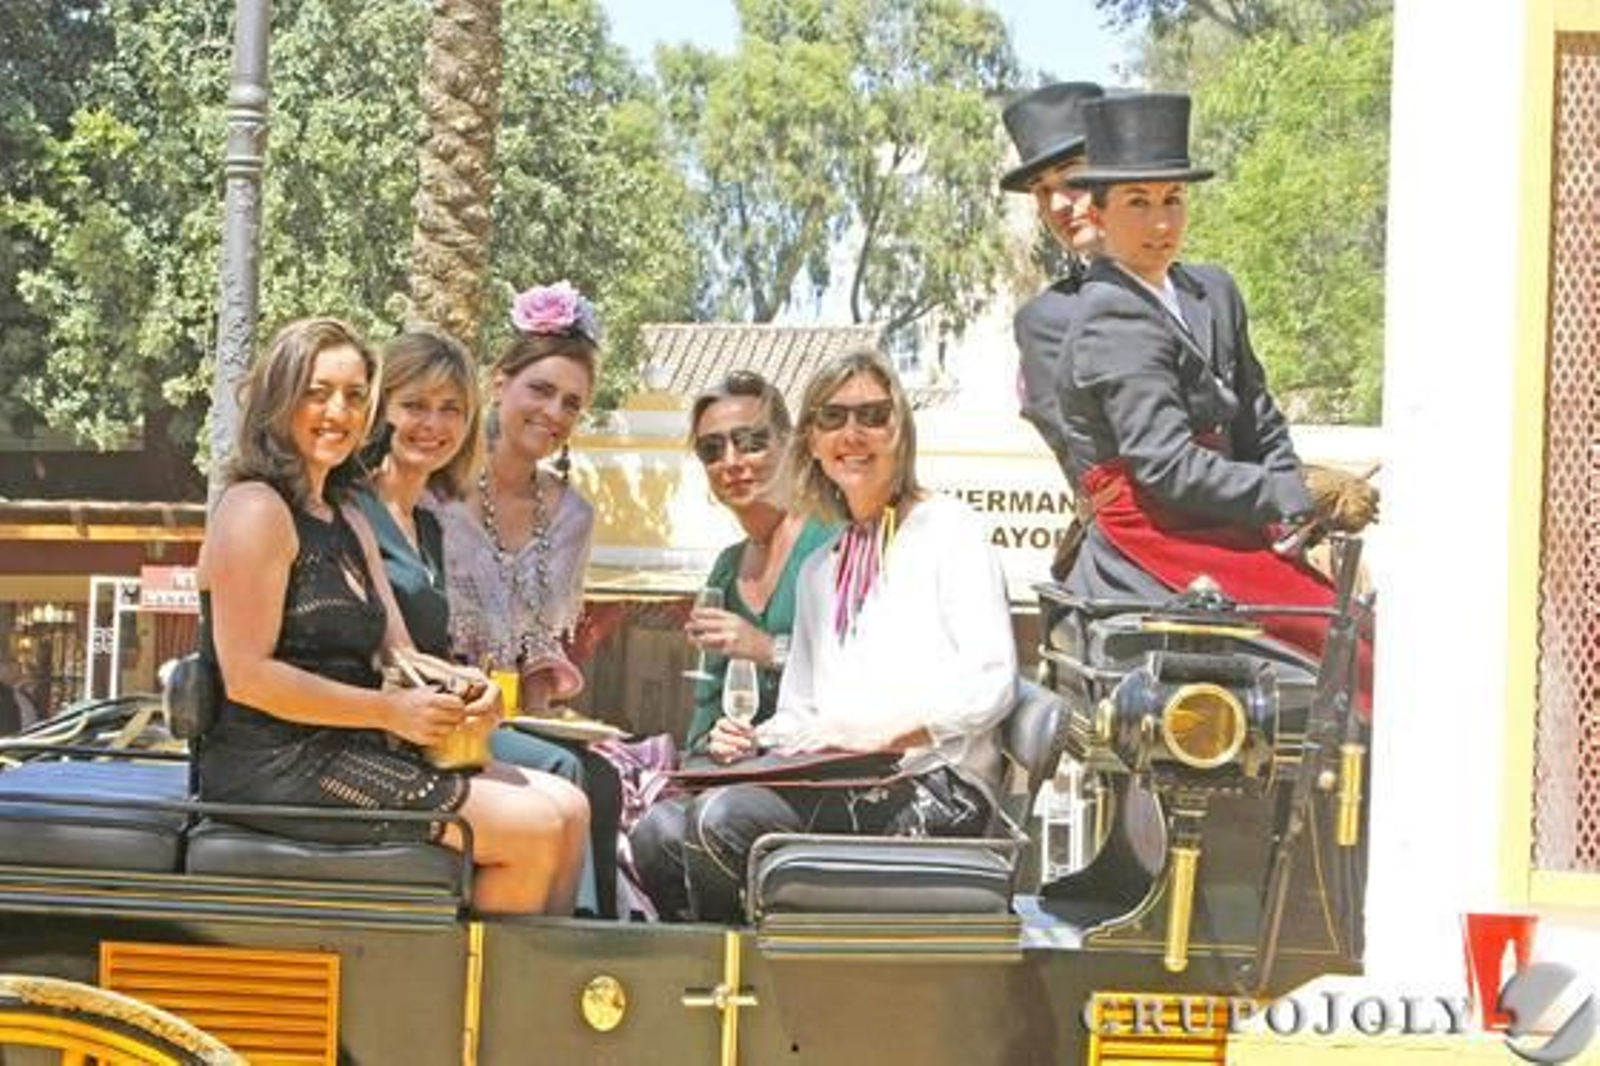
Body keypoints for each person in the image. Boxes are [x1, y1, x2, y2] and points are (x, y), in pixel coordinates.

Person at [196, 316, 588, 916]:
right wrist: (387, 711)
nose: (339, 412)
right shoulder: (254, 509)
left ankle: (526, 994)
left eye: (355, 397)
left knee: (568, 805)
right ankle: (469, 1005)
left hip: (347, 747)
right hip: (274, 763)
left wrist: (472, 690)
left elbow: (397, 653)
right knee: (533, 826)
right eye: (317, 392)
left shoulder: (346, 515)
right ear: (279, 398)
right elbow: (248, 677)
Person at [677, 348, 1017, 923]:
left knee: (720, 822)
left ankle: (759, 991)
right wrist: (752, 740)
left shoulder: (949, 530)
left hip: (935, 786)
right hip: (847, 779)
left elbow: (991, 683)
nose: (852, 434)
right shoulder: (823, 568)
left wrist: (884, 735)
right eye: (832, 418)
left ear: (900, 430)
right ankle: (724, 999)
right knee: (662, 829)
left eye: (873, 416)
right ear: (811, 440)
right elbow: (802, 710)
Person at [1055, 93, 1376, 686]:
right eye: (1138, 203)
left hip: (1228, 528)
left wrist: (1294, 530)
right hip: (1157, 541)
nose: (1161, 223)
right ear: (1097, 215)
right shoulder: (1110, 315)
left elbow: (1260, 417)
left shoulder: (1213, 291)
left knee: (1362, 626)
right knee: (1352, 655)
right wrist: (1298, 493)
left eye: (1173, 200)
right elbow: (1168, 468)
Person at [435, 282, 624, 916]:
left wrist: (548, 703)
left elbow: (538, 645)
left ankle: (594, 948)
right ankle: (561, 957)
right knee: (564, 773)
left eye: (572, 403)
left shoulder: (571, 515)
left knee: (600, 772)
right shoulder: (434, 491)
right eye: (540, 390)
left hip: (509, 713)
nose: (554, 412)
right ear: (499, 383)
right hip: (436, 713)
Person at [627, 370, 834, 920]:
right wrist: (717, 739)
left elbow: (858, 678)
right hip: (742, 779)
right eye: (712, 448)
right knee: (653, 832)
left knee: (714, 820)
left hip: (824, 781)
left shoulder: (832, 543)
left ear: (791, 444)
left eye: (752, 440)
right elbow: (705, 718)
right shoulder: (725, 568)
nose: (732, 461)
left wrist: (765, 647)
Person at [1001, 81, 1106, 479]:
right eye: (1042, 191)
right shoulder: (1047, 322)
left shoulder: (1202, 292)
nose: (1058, 204)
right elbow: (1093, 467)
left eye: (1074, 179)